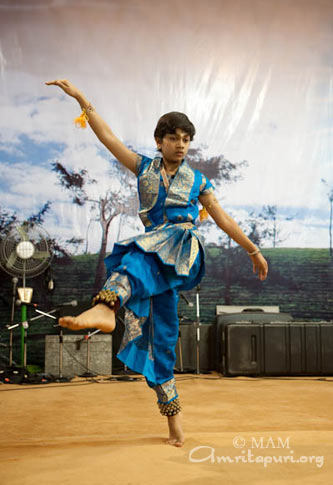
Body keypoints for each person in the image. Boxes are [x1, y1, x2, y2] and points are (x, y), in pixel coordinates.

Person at [45, 79, 268, 447]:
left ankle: (105, 308)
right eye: (174, 137)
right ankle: (175, 426)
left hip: (180, 251)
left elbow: (224, 219)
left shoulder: (197, 181)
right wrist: (83, 100)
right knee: (160, 341)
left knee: (136, 252)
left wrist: (252, 250)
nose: (181, 144)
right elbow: (108, 138)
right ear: (160, 140)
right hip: (153, 267)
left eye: (186, 139)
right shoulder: (143, 167)